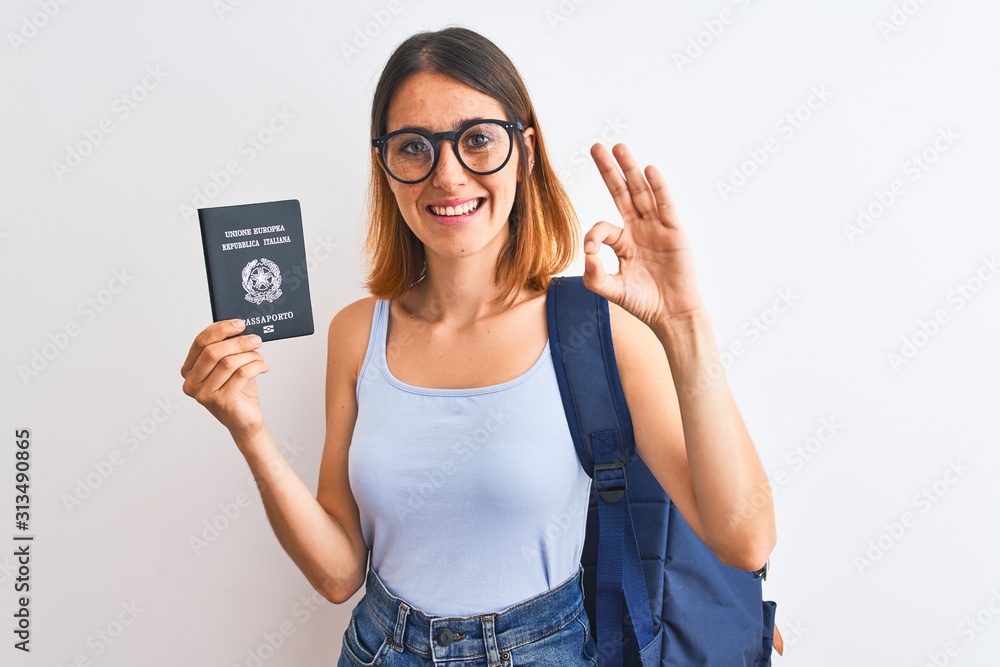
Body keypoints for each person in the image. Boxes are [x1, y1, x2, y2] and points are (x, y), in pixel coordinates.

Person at [180, 26, 776, 666]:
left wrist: (683, 320)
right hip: (379, 649)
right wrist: (250, 432)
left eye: (477, 140)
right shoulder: (357, 332)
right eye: (414, 148)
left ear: (525, 150)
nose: (447, 174)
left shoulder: (597, 327)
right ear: (386, 165)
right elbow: (338, 574)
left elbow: (743, 541)